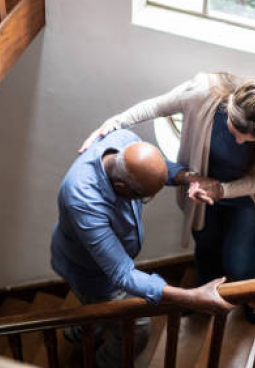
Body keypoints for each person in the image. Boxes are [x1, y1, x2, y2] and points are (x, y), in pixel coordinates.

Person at [81, 72, 255, 323]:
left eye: (249, 140)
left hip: (249, 196)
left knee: (239, 259)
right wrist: (114, 123)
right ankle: (203, 296)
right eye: (235, 131)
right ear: (229, 108)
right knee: (205, 245)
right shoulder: (203, 92)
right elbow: (157, 106)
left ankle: (254, 298)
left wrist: (222, 190)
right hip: (205, 188)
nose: (238, 141)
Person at [51, 129, 232, 366]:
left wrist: (189, 178)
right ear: (121, 186)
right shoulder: (82, 199)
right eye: (143, 197)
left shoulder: (125, 140)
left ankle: (81, 331)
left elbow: (156, 170)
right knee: (137, 331)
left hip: (99, 261)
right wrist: (190, 297)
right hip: (91, 272)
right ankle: (104, 362)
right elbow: (121, 273)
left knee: (95, 311)